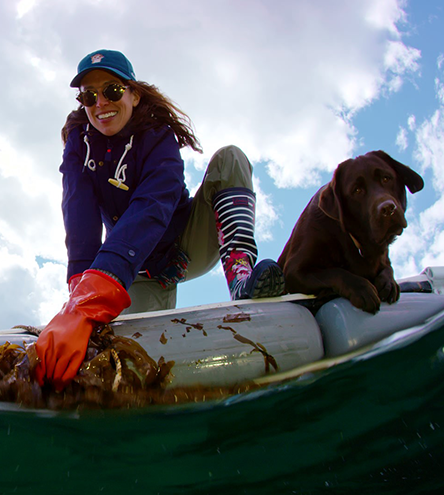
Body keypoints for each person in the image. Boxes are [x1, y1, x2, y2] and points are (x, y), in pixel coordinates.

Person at [35, 49, 285, 389]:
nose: (100, 104)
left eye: (111, 90)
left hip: (184, 245)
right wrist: (79, 300)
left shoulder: (159, 136)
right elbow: (77, 210)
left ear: (134, 95)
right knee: (124, 368)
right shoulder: (78, 144)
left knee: (231, 158)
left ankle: (241, 277)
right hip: (136, 272)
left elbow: (153, 205)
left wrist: (95, 292)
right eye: (89, 96)